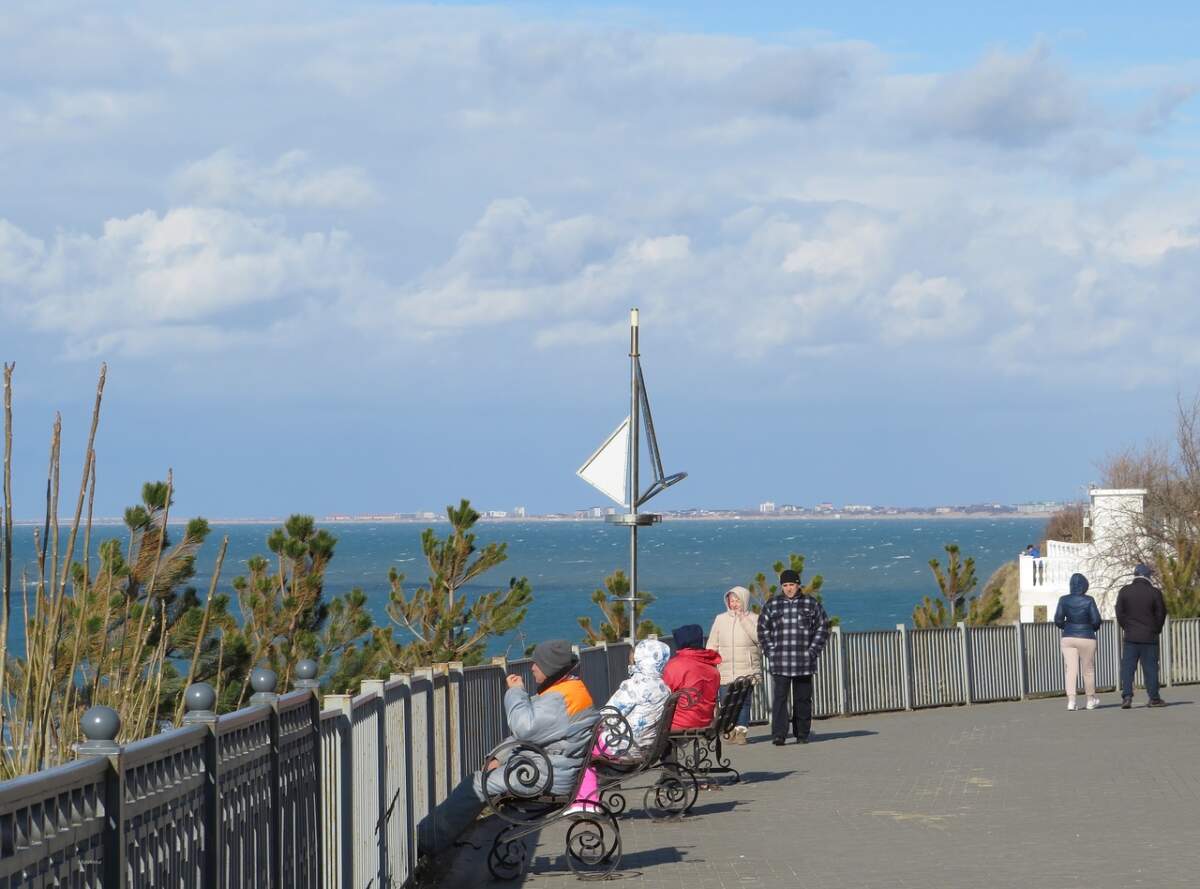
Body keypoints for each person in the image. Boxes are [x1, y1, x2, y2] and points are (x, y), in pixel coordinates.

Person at [418, 639, 597, 855]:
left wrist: (515, 692)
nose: (532, 668)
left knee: (475, 785)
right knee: (480, 781)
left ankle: (424, 842)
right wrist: (499, 757)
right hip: (548, 768)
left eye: (537, 664)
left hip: (544, 776)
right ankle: (436, 838)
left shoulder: (560, 699)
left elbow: (524, 728)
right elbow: (534, 736)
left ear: (549, 668)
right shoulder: (571, 690)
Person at [570, 638, 671, 813]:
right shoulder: (664, 688)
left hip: (622, 748)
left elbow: (608, 715)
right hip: (645, 747)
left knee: (580, 747)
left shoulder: (634, 687)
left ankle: (585, 803)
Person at [757, 568, 831, 745]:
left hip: (804, 661)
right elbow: (762, 629)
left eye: (791, 584)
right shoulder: (772, 605)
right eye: (785, 585)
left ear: (798, 585)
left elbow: (822, 627)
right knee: (780, 699)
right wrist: (771, 651)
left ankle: (802, 734)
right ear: (781, 586)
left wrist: (812, 651)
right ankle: (779, 734)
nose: (789, 588)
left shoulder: (811, 604)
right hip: (780, 661)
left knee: (803, 699)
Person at [706, 586, 761, 744]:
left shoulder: (754, 618)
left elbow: (758, 638)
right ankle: (729, 728)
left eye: (737, 600)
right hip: (725, 669)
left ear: (744, 600)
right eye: (731, 600)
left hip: (747, 668)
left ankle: (741, 730)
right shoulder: (720, 619)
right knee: (726, 701)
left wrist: (744, 619)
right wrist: (709, 660)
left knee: (744, 701)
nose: (734, 604)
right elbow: (712, 644)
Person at [1115, 563, 1168, 709]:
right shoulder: (1154, 592)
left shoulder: (1125, 591)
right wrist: (1156, 629)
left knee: (1128, 668)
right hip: (1149, 637)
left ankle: (1127, 697)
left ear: (1135, 574)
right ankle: (1154, 698)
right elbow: (1161, 613)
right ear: (1147, 576)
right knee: (1150, 668)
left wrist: (1126, 626)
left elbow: (1119, 612)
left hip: (1131, 636)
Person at [1054, 572, 1102, 711]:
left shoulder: (1063, 600)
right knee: (1088, 670)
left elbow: (1058, 619)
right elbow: (1096, 620)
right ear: (1084, 585)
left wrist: (1067, 627)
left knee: (1070, 670)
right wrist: (1092, 628)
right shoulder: (1089, 600)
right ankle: (1090, 700)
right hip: (1087, 636)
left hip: (1068, 637)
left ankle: (1071, 701)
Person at [663, 624, 722, 730]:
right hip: (705, 721)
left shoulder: (675, 666)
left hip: (680, 723)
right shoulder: (712, 668)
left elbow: (663, 693)